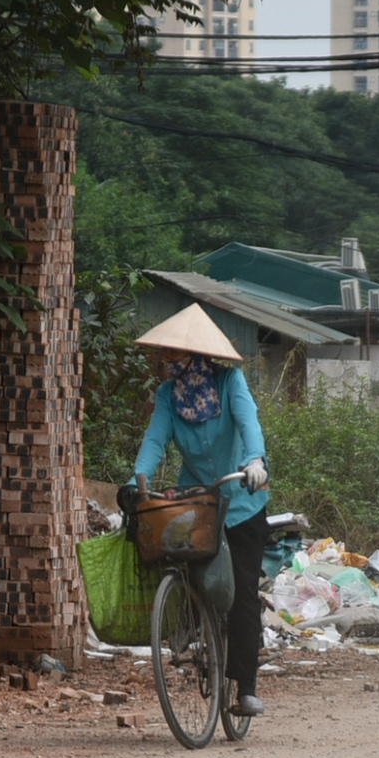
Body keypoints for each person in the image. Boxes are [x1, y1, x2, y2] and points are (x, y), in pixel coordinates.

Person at [131, 304, 272, 717]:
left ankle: (245, 684)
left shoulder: (230, 382)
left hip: (242, 501)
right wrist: (136, 480)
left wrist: (255, 462)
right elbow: (155, 441)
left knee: (242, 591)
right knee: (183, 568)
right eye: (166, 357)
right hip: (198, 503)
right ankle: (192, 626)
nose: (168, 363)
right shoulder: (167, 397)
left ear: (195, 357)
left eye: (174, 356)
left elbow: (250, 425)